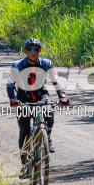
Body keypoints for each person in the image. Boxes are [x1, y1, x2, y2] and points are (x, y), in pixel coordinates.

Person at [7, 38, 70, 175]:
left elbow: (56, 81)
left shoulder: (46, 63)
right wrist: (13, 99)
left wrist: (62, 97)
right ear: (26, 51)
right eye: (30, 49)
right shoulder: (17, 65)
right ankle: (24, 165)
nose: (33, 52)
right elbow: (9, 84)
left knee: (49, 112)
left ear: (40, 51)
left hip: (41, 95)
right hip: (23, 98)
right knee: (24, 130)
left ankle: (48, 135)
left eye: (37, 49)